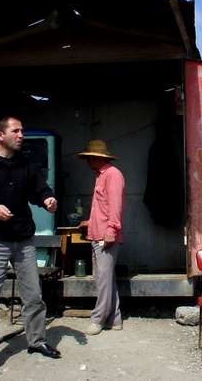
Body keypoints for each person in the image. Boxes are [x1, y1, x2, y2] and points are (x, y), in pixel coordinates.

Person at [0, 116, 61, 377]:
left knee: (33, 297)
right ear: (0, 135)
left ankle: (36, 341)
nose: (21, 135)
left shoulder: (26, 165)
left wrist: (47, 199)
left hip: (23, 240)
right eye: (15, 131)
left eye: (22, 131)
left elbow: (39, 190)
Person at [77, 140, 125, 335]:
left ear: (98, 158)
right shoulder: (102, 176)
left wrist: (111, 230)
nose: (87, 161)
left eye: (89, 157)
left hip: (106, 236)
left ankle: (98, 319)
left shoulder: (112, 175)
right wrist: (90, 223)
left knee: (103, 281)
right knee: (107, 280)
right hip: (99, 233)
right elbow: (103, 208)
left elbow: (115, 207)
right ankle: (115, 319)